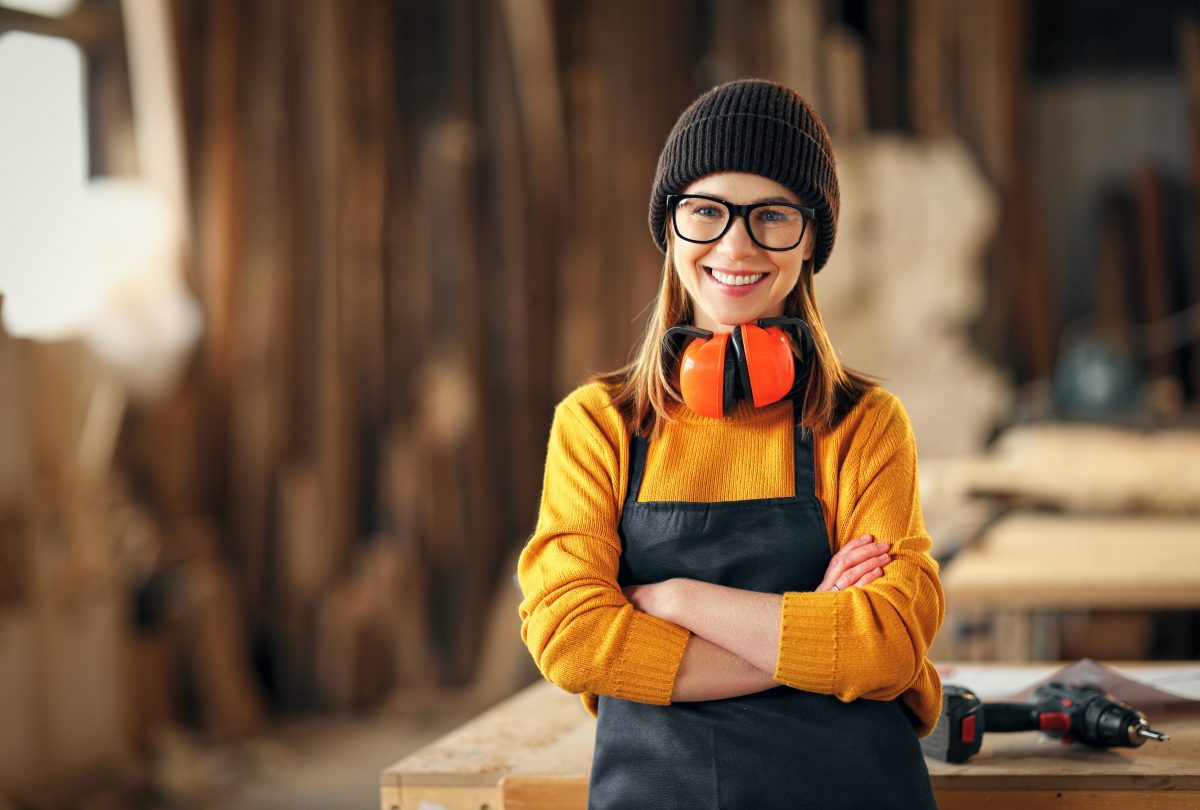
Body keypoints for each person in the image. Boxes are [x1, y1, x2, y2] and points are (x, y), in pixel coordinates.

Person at [517, 78, 944, 809]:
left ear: (811, 239)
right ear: (670, 228)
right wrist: (810, 629)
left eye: (771, 216)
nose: (736, 246)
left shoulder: (865, 423)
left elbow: (892, 642)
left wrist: (672, 599)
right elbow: (572, 636)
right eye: (706, 212)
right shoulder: (597, 425)